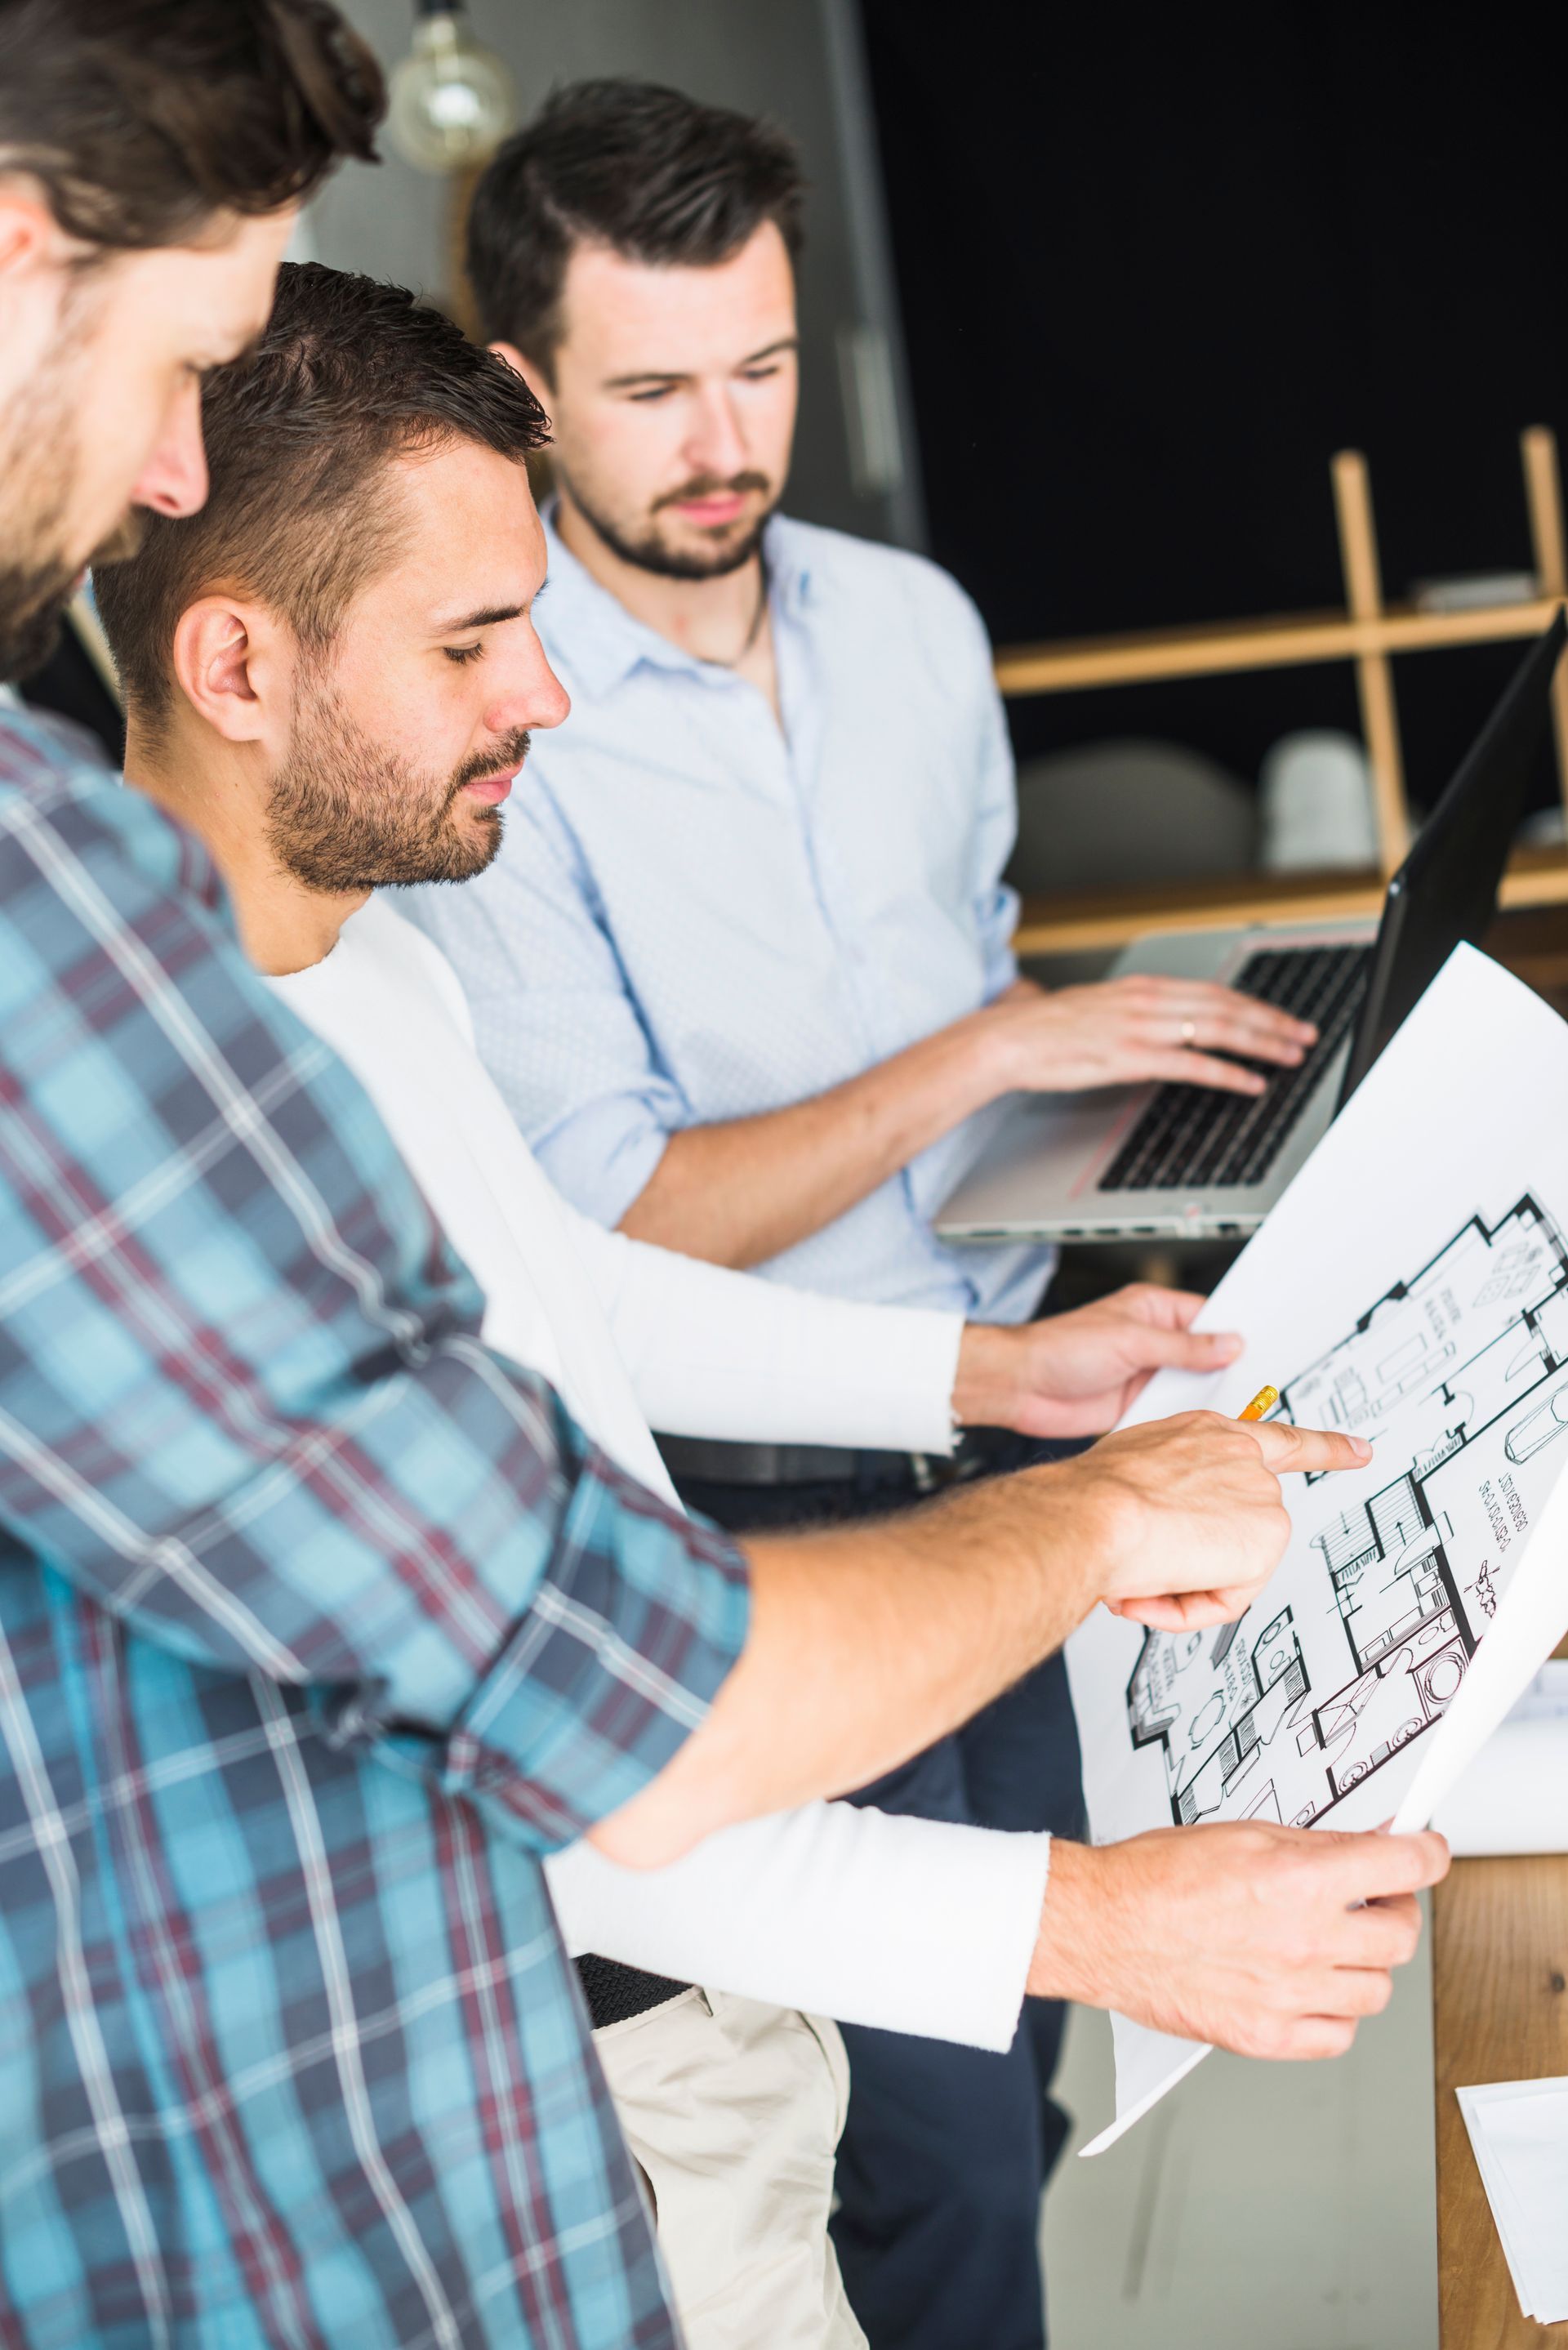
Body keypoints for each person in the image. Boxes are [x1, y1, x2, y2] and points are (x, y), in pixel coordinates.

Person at [0, 21, 1447, 2348]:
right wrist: (1088, 1894)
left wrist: (992, 1363)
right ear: (241, 661)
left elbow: (564, 1292)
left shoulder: (366, 964)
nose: (540, 703)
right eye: (482, 644)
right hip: (555, 2028)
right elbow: (566, 1728)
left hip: (674, 1982)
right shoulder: (157, 1048)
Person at [405, 78, 1318, 2348]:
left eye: (767, 368)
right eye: (652, 390)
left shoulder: (910, 624)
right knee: (913, 2159)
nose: (727, 440)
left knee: (1007, 2086)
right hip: (758, 1509)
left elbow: (966, 982)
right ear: (525, 393)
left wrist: (1092, 1166)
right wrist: (994, 1054)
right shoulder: (486, 736)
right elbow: (615, 1221)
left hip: (1010, 1419)